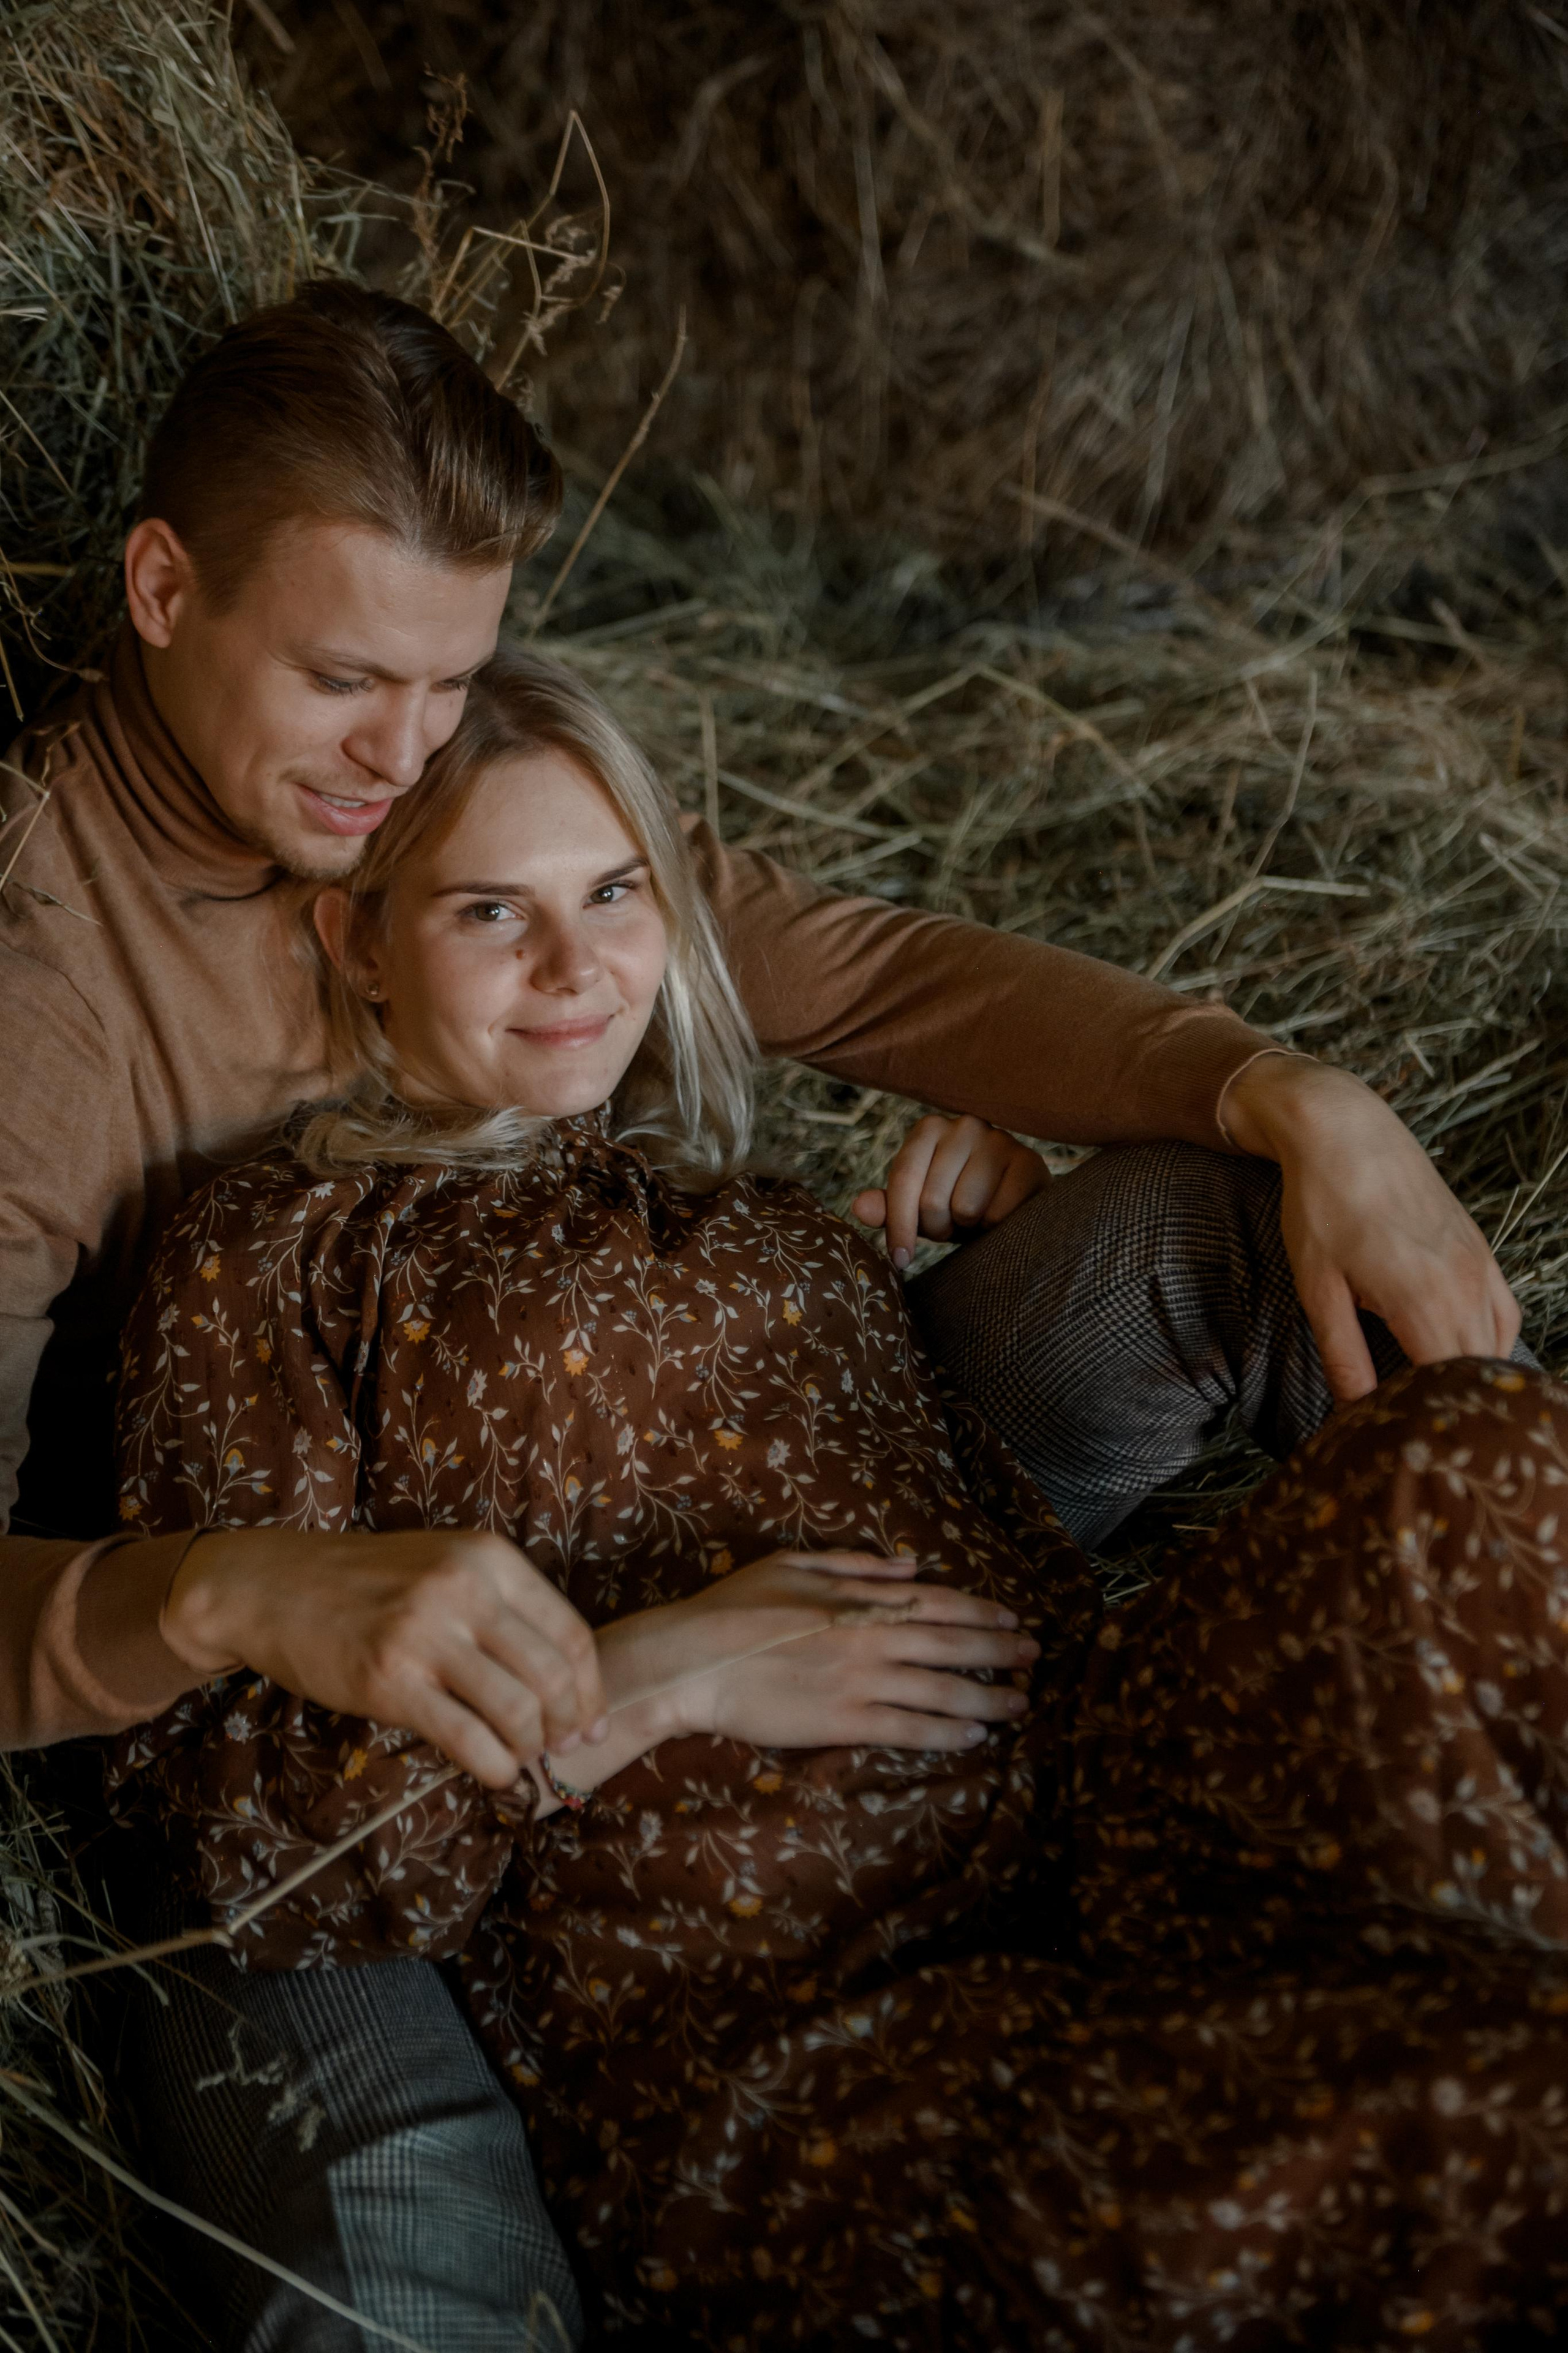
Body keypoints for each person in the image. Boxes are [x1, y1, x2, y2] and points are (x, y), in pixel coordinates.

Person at [0, 278, 1519, 2343]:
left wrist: (1287, 1091)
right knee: (392, 2226)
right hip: (396, 1691)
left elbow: (871, 976)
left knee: (1328, 1340)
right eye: (354, 678)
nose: (411, 745)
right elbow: (213, 1746)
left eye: (455, 679)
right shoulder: (55, 1019)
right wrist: (226, 1597)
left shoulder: (458, 773)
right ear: (162, 585)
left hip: (842, 1568)